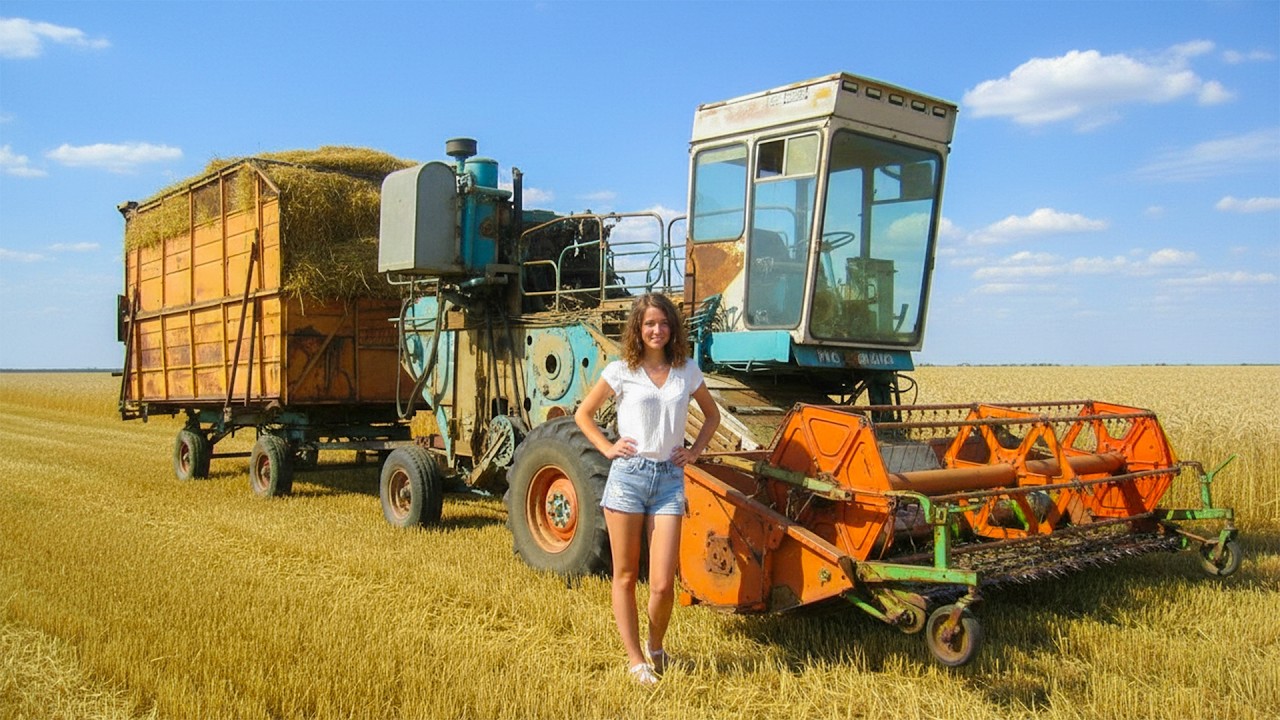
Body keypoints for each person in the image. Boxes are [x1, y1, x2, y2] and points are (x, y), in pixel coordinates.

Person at [575, 293, 721, 686]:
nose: (657, 330)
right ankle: (636, 659)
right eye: (649, 324)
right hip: (628, 478)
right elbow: (583, 414)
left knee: (661, 583)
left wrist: (694, 451)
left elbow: (712, 415)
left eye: (663, 323)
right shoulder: (622, 370)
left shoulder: (686, 370)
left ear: (672, 328)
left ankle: (656, 646)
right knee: (624, 574)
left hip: (669, 481)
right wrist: (607, 448)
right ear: (638, 330)